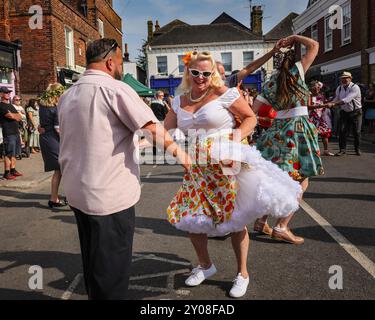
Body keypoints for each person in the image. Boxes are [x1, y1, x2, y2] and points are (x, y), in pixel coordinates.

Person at [58, 38, 190, 300]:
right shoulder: (115, 89)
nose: (121, 68)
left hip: (76, 191)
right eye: (120, 62)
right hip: (108, 196)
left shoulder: (67, 94)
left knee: (93, 259)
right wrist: (187, 161)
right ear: (110, 62)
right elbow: (153, 130)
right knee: (112, 271)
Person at [164, 50, 302, 298]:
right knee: (192, 219)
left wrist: (235, 144)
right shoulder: (179, 100)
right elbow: (166, 129)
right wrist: (176, 144)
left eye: (207, 73)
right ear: (188, 72)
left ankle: (242, 273)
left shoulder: (225, 94)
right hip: (197, 168)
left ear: (213, 73)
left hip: (227, 163)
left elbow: (250, 118)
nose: (201, 77)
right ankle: (205, 266)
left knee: (235, 220)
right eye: (195, 72)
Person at [253, 35, 323, 245]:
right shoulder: (297, 71)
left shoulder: (269, 83)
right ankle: (282, 226)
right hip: (298, 130)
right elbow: (314, 45)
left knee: (274, 179)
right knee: (301, 180)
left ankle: (261, 220)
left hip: (276, 132)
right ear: (294, 60)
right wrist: (292, 37)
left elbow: (251, 112)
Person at [38, 83, 67, 208]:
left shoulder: (43, 107)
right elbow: (58, 129)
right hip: (54, 140)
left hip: (46, 139)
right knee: (62, 168)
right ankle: (57, 198)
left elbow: (42, 125)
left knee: (59, 170)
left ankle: (54, 198)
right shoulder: (56, 108)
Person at [216, 39, 284, 87]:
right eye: (221, 74)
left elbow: (249, 68)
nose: (224, 77)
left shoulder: (227, 83)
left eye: (224, 74)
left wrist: (272, 52)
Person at [327, 72, 362, 156]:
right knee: (342, 131)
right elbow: (336, 98)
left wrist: (333, 104)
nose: (344, 79)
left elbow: (347, 99)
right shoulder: (339, 88)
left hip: (356, 113)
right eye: (342, 78)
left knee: (356, 132)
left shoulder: (355, 87)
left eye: (346, 78)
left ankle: (357, 149)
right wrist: (329, 103)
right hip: (344, 112)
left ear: (350, 78)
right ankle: (342, 150)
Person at [0, 87, 23, 180]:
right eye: (6, 92)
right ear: (1, 94)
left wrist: (15, 116)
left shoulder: (11, 105)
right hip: (8, 132)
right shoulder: (1, 106)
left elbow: (20, 117)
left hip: (15, 131)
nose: (8, 94)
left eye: (9, 92)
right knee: (8, 153)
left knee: (15, 152)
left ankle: (13, 169)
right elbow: (9, 115)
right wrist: (15, 116)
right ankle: (7, 172)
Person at [308, 81, 334, 156]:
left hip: (321, 117)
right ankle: (314, 151)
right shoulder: (309, 95)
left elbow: (327, 89)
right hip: (312, 117)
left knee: (325, 133)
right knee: (313, 135)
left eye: (319, 87)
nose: (318, 88)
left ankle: (326, 150)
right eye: (317, 87)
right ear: (312, 88)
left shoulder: (321, 95)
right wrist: (322, 106)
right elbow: (308, 106)